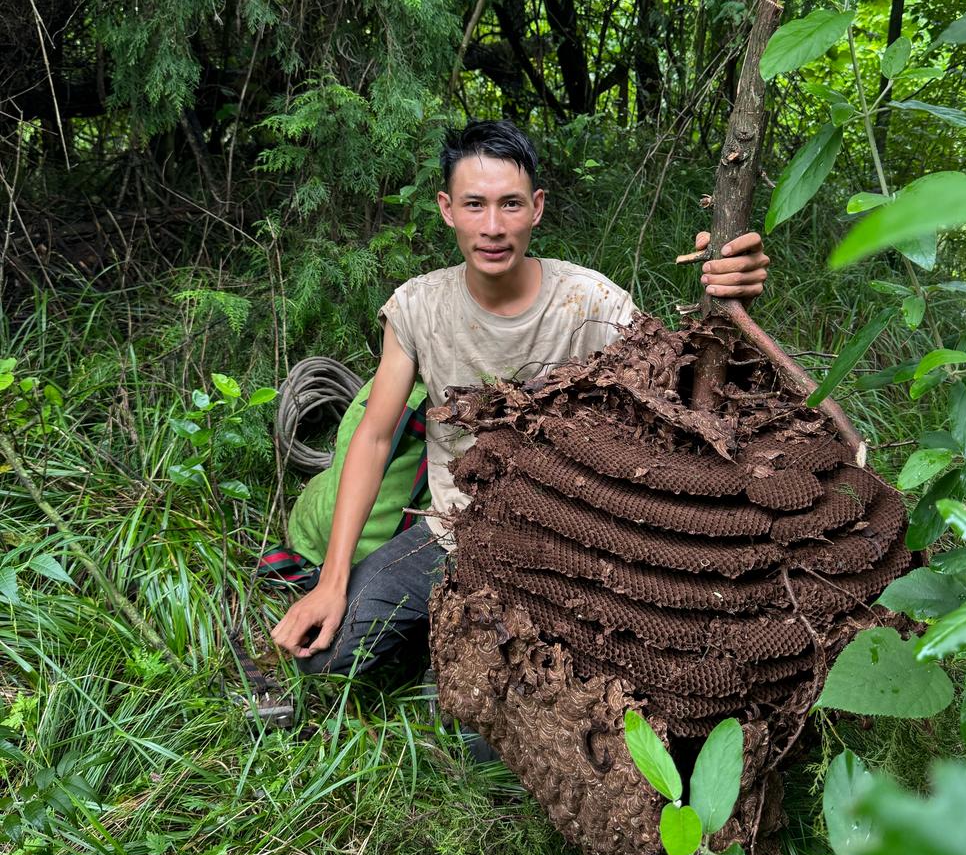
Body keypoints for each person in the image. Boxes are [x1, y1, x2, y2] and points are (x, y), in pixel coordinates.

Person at [270, 120, 770, 675]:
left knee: (497, 732)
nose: (492, 226)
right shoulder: (417, 308)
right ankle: (439, 629)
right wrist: (333, 584)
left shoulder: (590, 303)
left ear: (536, 207)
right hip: (452, 530)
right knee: (327, 656)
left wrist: (730, 302)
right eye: (474, 205)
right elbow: (375, 436)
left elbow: (680, 392)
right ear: (447, 209)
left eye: (509, 205)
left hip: (562, 543)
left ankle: (462, 649)